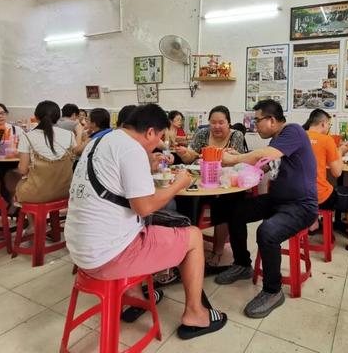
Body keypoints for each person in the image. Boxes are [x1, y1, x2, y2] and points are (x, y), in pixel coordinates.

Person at [65, 104, 227, 339]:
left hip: (81, 251)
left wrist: (148, 165)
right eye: (160, 138)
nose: (158, 145)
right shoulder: (131, 150)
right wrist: (178, 184)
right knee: (193, 235)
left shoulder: (101, 141)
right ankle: (195, 313)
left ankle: (135, 301)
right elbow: (145, 206)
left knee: (136, 226)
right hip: (107, 256)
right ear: (150, 132)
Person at [215, 99, 317, 318]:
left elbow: (261, 155)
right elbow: (261, 163)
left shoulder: (294, 131)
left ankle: (273, 290)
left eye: (257, 120)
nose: (255, 125)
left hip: (301, 206)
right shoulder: (277, 141)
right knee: (234, 210)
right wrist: (239, 160)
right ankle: (242, 264)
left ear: (271, 120)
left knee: (267, 232)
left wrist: (232, 159)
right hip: (277, 200)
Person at [174, 106, 246, 267]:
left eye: (221, 122)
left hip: (224, 183)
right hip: (201, 181)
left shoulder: (236, 136)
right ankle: (187, 247)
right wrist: (184, 153)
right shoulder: (202, 134)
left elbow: (233, 161)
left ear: (229, 123)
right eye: (213, 122)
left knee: (224, 203)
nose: (217, 126)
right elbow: (189, 158)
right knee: (186, 199)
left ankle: (217, 251)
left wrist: (207, 155)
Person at [303, 109, 348, 251]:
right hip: (318, 196)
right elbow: (337, 172)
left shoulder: (298, 136)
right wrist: (340, 152)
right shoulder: (326, 140)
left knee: (319, 184)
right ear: (323, 123)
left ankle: (313, 225)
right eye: (329, 125)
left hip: (297, 195)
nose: (328, 128)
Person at [15, 101, 76, 203]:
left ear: (36, 116)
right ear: (58, 117)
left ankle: (32, 219)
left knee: (15, 182)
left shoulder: (27, 137)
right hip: (65, 192)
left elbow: (23, 170)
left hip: (37, 194)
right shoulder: (70, 135)